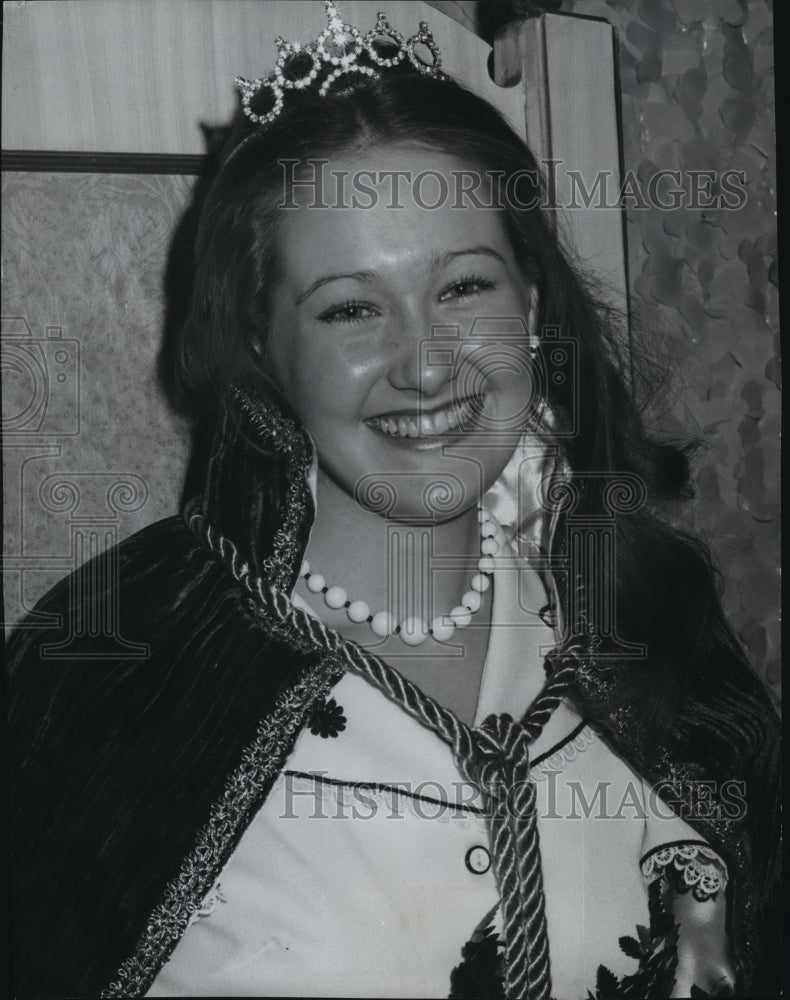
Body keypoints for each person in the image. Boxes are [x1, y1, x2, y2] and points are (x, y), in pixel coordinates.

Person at [7, 3, 780, 998]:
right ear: (258, 345)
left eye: (463, 289)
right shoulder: (114, 667)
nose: (424, 364)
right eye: (351, 308)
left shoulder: (645, 607)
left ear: (532, 306)